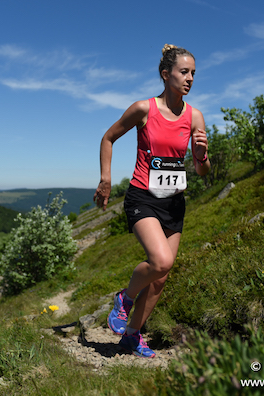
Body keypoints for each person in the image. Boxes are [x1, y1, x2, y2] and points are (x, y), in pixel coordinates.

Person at [93, 44, 211, 358]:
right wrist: (106, 179)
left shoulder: (194, 116)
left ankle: (132, 336)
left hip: (174, 203)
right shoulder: (144, 109)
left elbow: (202, 170)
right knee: (161, 261)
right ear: (165, 74)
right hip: (142, 196)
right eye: (184, 72)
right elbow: (108, 137)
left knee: (160, 279)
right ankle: (124, 298)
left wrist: (200, 155)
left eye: (193, 74)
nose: (190, 79)